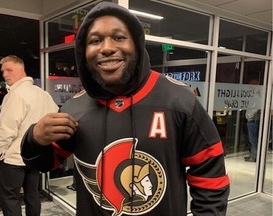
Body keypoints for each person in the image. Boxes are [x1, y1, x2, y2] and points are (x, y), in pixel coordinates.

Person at [21, 2, 230, 216]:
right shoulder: (75, 107)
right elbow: (46, 163)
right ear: (84, 52)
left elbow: (210, 177)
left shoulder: (178, 100)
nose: (107, 47)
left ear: (137, 45)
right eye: (95, 40)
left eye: (119, 37)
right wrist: (34, 138)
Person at [0, 55, 59, 216]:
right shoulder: (43, 94)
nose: (5, 74)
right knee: (32, 194)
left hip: (12, 159)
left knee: (10, 198)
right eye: (2, 71)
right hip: (34, 157)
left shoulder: (15, 95)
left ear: (21, 69)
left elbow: (7, 131)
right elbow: (54, 119)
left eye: (9, 70)